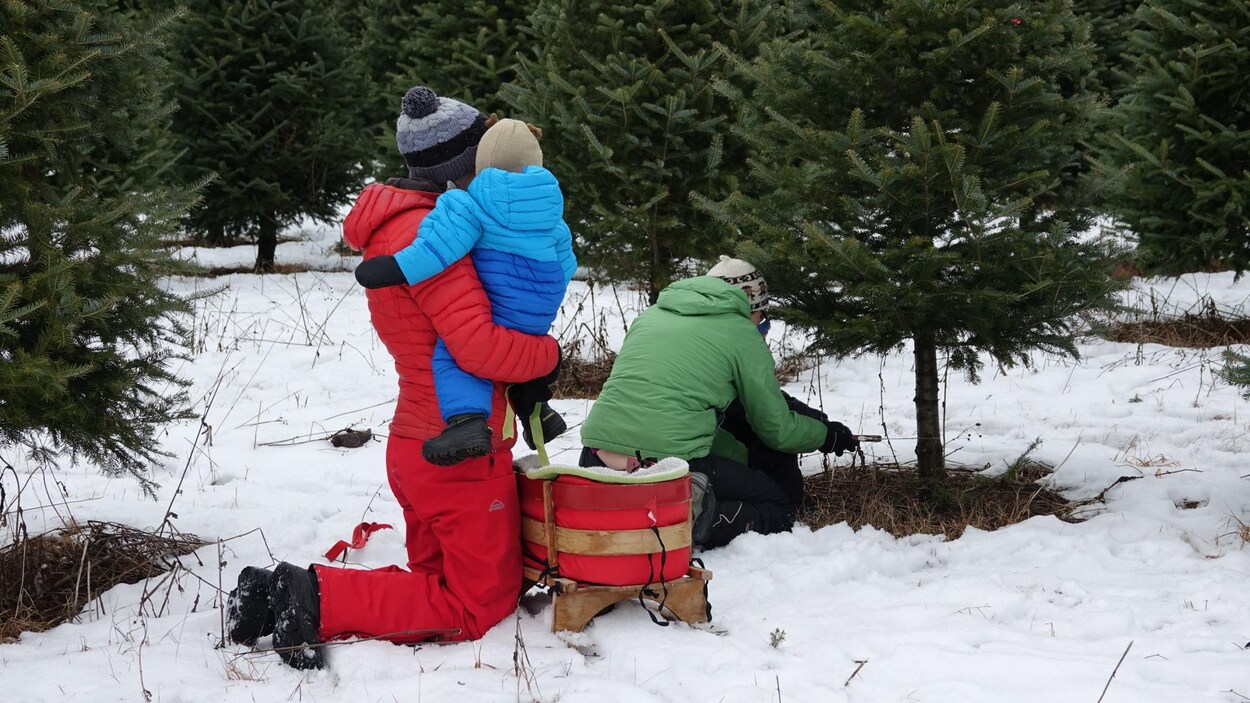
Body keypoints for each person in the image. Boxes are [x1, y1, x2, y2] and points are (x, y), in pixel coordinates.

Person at [224, 87, 562, 670]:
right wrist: (548, 354)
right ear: (463, 166)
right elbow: (477, 348)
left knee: (434, 581)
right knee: (476, 607)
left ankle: (271, 596)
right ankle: (314, 596)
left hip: (419, 443)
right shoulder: (431, 238)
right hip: (456, 448)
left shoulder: (404, 228)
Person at [579, 256, 859, 549]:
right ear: (751, 307)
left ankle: (638, 507)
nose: (761, 324)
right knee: (779, 507)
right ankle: (692, 516)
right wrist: (826, 435)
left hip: (595, 457)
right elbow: (777, 429)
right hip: (671, 466)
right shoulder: (741, 334)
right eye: (762, 315)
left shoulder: (650, 316)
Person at [353, 116, 576, 465]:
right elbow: (566, 261)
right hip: (540, 302)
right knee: (511, 342)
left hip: (429, 428)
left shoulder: (465, 204)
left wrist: (397, 267)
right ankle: (540, 413)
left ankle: (467, 421)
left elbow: (439, 249)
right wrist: (546, 314)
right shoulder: (553, 209)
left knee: (453, 358)